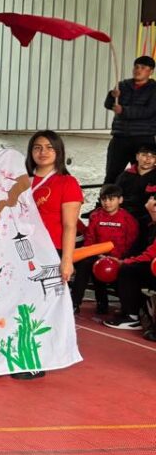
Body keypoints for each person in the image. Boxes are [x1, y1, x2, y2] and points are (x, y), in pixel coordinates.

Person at [19, 130, 82, 375]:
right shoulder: (22, 180)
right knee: (23, 306)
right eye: (37, 147)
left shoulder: (67, 183)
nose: (43, 152)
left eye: (49, 147)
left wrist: (66, 260)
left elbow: (70, 226)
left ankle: (37, 361)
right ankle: (22, 355)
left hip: (51, 253)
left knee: (43, 307)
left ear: (58, 151)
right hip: (22, 252)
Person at [73, 184, 137, 316]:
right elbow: (89, 239)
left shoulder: (129, 219)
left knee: (117, 270)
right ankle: (74, 303)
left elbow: (130, 244)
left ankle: (118, 306)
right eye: (104, 199)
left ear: (120, 200)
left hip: (118, 258)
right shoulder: (95, 216)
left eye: (111, 199)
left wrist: (116, 258)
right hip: (97, 255)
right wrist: (98, 255)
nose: (107, 203)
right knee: (85, 264)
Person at [104, 195, 156, 331]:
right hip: (151, 265)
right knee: (127, 268)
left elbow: (150, 254)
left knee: (128, 270)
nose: (150, 200)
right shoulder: (149, 224)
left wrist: (123, 262)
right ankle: (128, 310)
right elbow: (139, 249)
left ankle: (133, 317)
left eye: (153, 199)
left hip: (153, 267)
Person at [103, 55, 156, 184]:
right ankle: (107, 197)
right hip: (120, 137)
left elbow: (149, 111)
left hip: (143, 138)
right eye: (136, 67)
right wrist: (112, 96)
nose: (138, 70)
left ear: (151, 71)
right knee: (112, 174)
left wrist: (124, 111)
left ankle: (139, 198)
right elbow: (109, 105)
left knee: (144, 174)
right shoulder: (122, 85)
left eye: (143, 67)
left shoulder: (154, 89)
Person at [114, 145, 156, 229]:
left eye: (153, 156)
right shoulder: (125, 175)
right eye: (144, 155)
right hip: (123, 215)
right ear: (137, 156)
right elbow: (114, 194)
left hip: (147, 218)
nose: (148, 159)